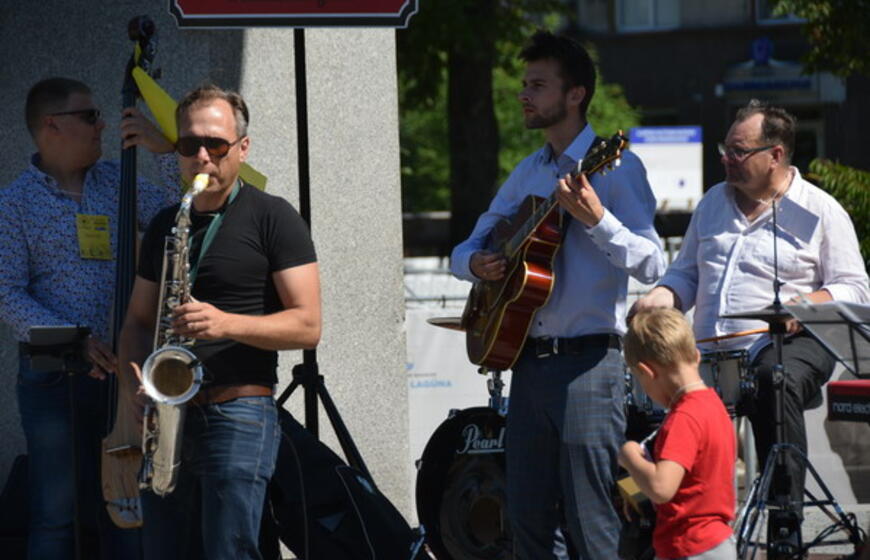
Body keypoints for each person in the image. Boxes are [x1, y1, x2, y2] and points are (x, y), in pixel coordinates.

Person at [450, 30, 665, 559]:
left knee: (590, 523)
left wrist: (597, 220)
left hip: (589, 363)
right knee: (526, 522)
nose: (524, 95)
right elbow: (466, 248)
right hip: (528, 365)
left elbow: (654, 262)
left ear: (575, 95)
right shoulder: (528, 171)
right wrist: (476, 262)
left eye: (538, 85)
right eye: (525, 84)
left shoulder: (618, 166)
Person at [631, 99, 870, 548]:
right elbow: (687, 272)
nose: (726, 159)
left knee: (772, 378)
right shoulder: (712, 204)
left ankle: (784, 522)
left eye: (738, 152)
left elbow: (855, 289)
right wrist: (664, 295)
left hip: (790, 342)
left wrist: (808, 302)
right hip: (708, 349)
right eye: (726, 148)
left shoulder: (821, 210)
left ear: (775, 154)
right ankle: (655, 522)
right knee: (642, 400)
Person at [118, 84, 321, 559]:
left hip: (240, 412)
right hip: (168, 416)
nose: (202, 156)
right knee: (165, 548)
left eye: (217, 145)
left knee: (229, 550)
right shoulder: (169, 221)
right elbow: (137, 321)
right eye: (189, 145)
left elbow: (308, 326)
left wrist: (225, 323)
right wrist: (133, 384)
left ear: (242, 148)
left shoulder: (274, 217)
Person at [0, 77, 180, 559]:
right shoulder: (14, 203)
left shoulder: (115, 181)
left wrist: (164, 150)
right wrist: (75, 339)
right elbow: (7, 291)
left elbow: (181, 211)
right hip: (55, 372)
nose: (103, 124)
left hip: (122, 369)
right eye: (89, 116)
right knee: (57, 513)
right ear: (51, 125)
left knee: (123, 504)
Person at [620, 308, 737, 560]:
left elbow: (661, 487)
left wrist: (630, 457)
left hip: (689, 546)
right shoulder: (714, 406)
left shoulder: (683, 419)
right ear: (695, 356)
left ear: (646, 372)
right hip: (718, 541)